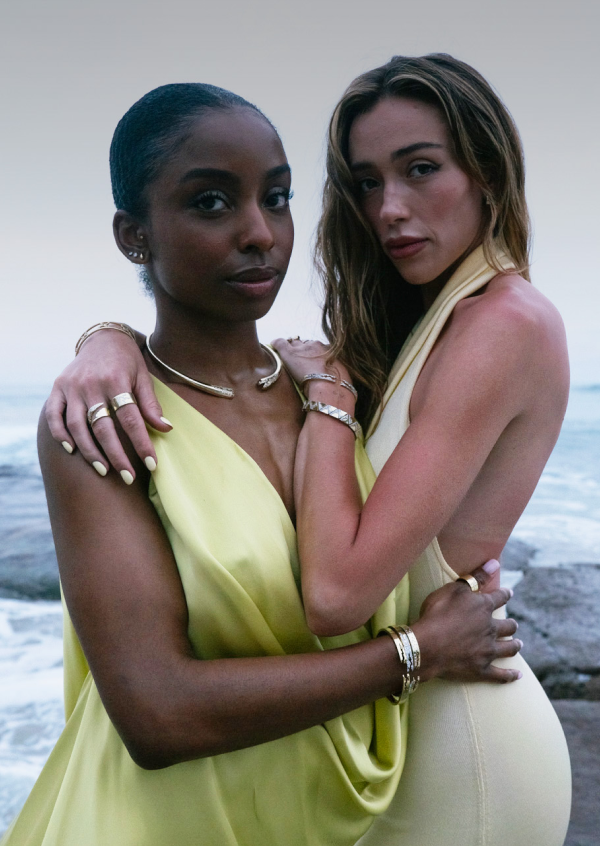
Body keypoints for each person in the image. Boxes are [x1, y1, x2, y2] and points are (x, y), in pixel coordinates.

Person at [45, 56, 572, 846]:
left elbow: (334, 596)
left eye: (421, 169)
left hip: (456, 739)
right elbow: (154, 709)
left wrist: (326, 404)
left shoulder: (479, 332)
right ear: (134, 233)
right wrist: (106, 339)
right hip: (363, 755)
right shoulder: (373, 356)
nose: (389, 209)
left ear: (489, 171)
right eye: (365, 183)